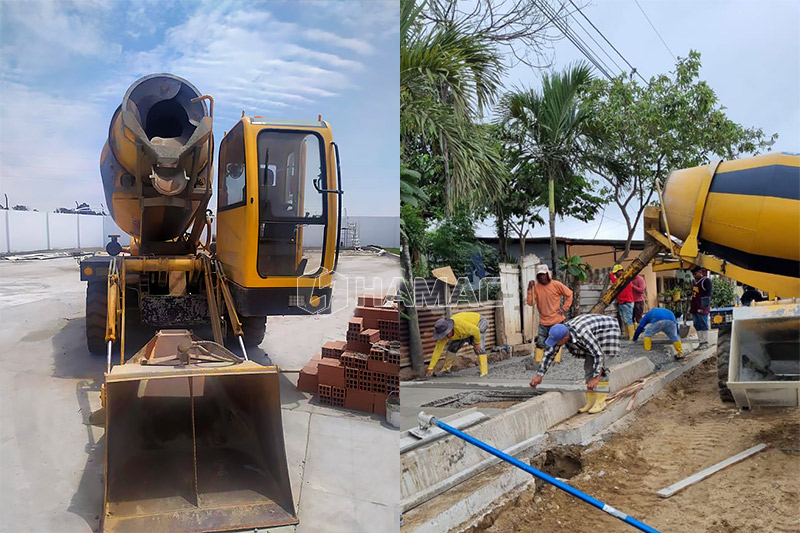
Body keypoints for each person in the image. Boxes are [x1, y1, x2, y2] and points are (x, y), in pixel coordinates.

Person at [529, 314, 620, 414]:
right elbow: (549, 354)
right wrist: (539, 375)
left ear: (565, 338)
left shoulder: (583, 334)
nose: (555, 343)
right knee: (588, 367)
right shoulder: (561, 333)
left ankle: (600, 401)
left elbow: (599, 355)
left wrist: (596, 378)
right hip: (593, 333)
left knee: (601, 369)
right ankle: (591, 401)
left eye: (557, 341)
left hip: (607, 332)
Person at [526, 264, 573, 363]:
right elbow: (530, 303)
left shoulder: (556, 284)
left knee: (557, 340)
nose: (541, 277)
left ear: (548, 274)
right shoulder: (536, 287)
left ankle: (556, 360)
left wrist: (564, 308)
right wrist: (529, 289)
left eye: (543, 275)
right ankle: (538, 360)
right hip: (543, 320)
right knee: (540, 342)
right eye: (539, 275)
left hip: (556, 319)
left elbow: (569, 294)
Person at [426, 312, 489, 377]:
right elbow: (437, 351)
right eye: (443, 335)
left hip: (479, 323)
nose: (445, 337)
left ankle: (484, 372)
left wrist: (477, 343)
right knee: (452, 347)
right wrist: (430, 368)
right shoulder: (443, 337)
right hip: (464, 333)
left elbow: (476, 330)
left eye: (446, 334)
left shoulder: (460, 325)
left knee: (479, 348)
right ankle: (446, 369)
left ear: (450, 329)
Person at [610, 264, 635, 340]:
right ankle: (628, 335)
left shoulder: (625, 279)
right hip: (622, 302)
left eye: (616, 273)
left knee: (628, 319)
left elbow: (615, 282)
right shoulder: (624, 278)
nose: (615, 275)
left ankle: (632, 337)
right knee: (625, 320)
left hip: (627, 302)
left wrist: (610, 275)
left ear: (621, 271)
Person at [690, 267, 713, 349]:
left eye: (695, 274)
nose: (694, 276)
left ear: (700, 272)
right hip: (695, 306)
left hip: (702, 306)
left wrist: (705, 305)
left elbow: (709, 294)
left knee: (703, 323)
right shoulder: (696, 282)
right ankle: (701, 341)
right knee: (696, 324)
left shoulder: (706, 281)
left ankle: (705, 342)